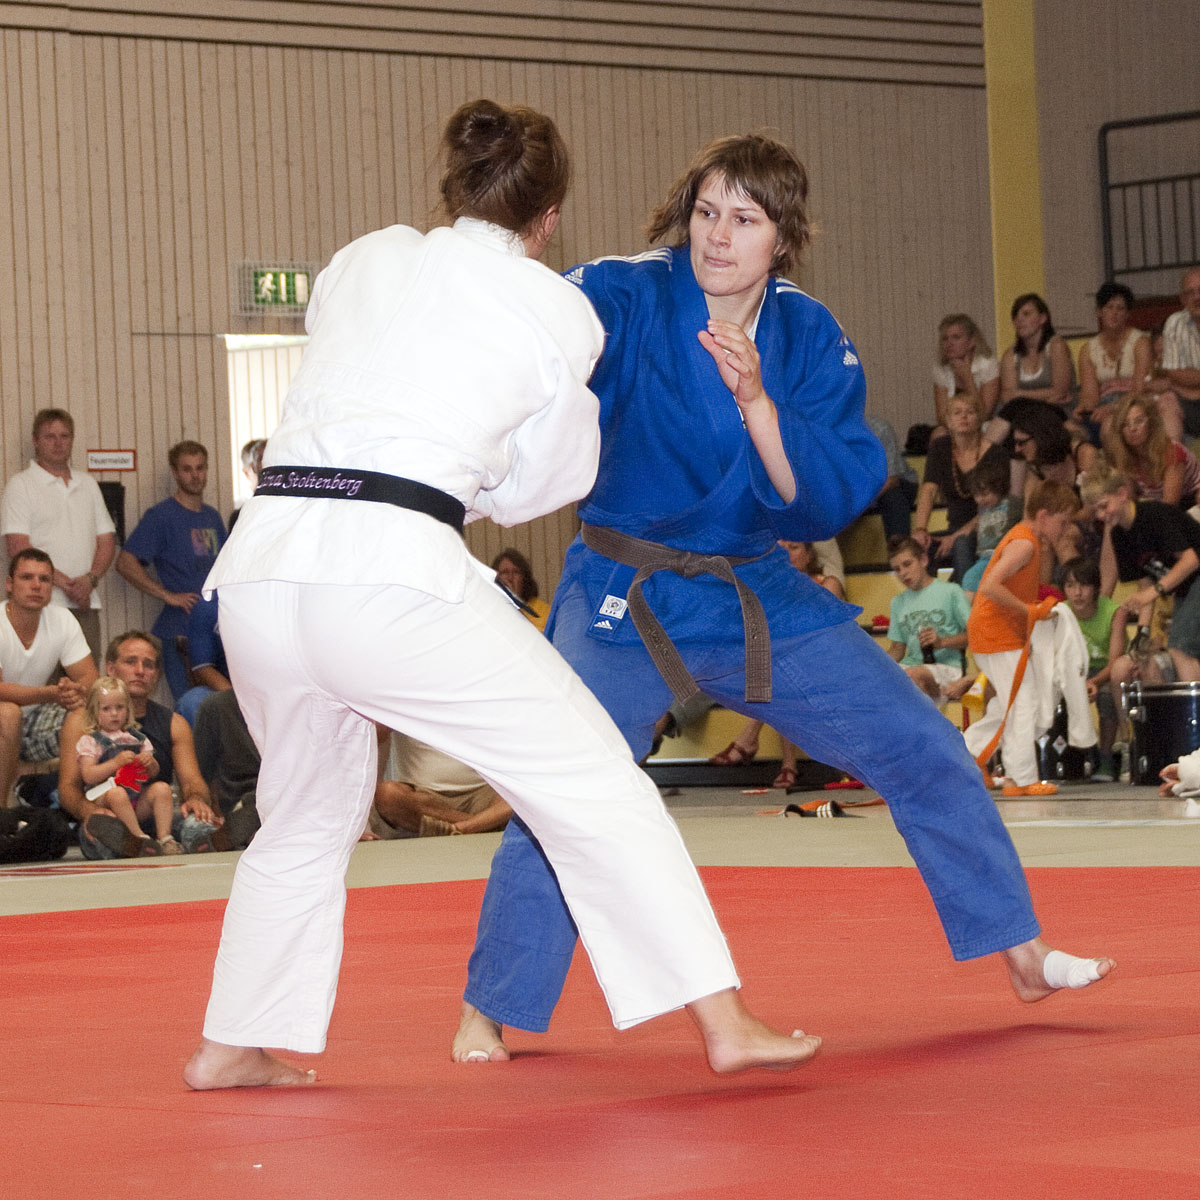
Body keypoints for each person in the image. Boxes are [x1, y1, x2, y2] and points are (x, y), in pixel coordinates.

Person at [183, 99, 820, 1093]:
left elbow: (358, 377)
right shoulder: (554, 308)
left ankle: (235, 1038)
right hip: (392, 570)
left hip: (264, 564)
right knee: (593, 779)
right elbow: (543, 486)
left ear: (450, 184)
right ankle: (724, 1019)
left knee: (303, 816)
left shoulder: (365, 258)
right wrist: (466, 481)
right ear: (551, 214)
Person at [456, 132, 1113, 1065]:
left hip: (752, 587)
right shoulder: (624, 292)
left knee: (922, 746)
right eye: (708, 210)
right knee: (570, 789)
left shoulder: (807, 333)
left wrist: (761, 403)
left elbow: (831, 493)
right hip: (623, 584)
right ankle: (491, 1006)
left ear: (783, 237)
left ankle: (1021, 949)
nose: (718, 236)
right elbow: (521, 344)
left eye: (746, 219)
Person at [58, 630, 222, 855]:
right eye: (130, 662)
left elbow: (193, 780)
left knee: (198, 823)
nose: (140, 671)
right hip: (108, 815)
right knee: (102, 834)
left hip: (158, 815)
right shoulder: (80, 721)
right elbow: (67, 788)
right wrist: (88, 811)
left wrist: (196, 799)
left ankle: (210, 837)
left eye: (149, 664)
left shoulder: (175, 723)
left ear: (156, 674)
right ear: (111, 669)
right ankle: (128, 845)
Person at [964, 480, 1081, 796]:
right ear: (1044, 515)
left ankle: (968, 755)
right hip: (996, 633)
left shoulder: (1032, 541)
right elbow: (989, 585)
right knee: (1024, 701)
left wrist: (1032, 611)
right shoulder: (1025, 543)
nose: (1066, 528)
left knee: (1009, 703)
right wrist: (1028, 611)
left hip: (1000, 633)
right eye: (1063, 521)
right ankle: (1020, 777)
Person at [2, 408, 117, 662]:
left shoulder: (87, 484)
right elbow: (19, 547)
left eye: (64, 436)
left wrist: (90, 580)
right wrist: (68, 585)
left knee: (85, 687)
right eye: (49, 436)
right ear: (35, 440)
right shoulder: (20, 485)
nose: (58, 443)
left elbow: (107, 540)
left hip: (86, 604)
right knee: (42, 686)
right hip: (40, 604)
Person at [116, 441, 227, 700]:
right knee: (191, 706)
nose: (195, 475)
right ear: (175, 473)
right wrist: (167, 595)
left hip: (216, 627)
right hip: (181, 630)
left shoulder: (212, 516)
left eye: (200, 468)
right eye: (187, 469)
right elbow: (125, 562)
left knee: (220, 707)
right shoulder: (161, 516)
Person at [1081, 463, 1200, 681]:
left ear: (1122, 494)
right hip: (1186, 588)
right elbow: (1144, 584)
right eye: (1096, 510)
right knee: (1176, 651)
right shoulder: (1119, 535)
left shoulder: (1155, 515)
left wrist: (1153, 592)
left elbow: (1192, 560)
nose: (1101, 515)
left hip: (1195, 578)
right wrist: (1142, 633)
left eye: (1104, 506)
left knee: (1181, 648)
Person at [0, 548, 97, 803]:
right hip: (7, 716)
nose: (36, 585)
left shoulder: (62, 619)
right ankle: (4, 815)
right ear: (9, 584)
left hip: (33, 721)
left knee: (88, 711)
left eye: (44, 579)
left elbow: (89, 678)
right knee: (8, 713)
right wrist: (52, 693)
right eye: (27, 577)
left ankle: (69, 802)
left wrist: (73, 693)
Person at [74, 675, 179, 857]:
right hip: (105, 799)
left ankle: (165, 838)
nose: (114, 714)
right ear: (93, 712)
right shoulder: (91, 741)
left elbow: (153, 773)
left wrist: (150, 763)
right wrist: (115, 763)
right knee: (117, 793)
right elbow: (88, 775)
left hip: (136, 797)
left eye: (119, 707)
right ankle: (138, 838)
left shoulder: (137, 738)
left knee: (162, 789)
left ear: (128, 709)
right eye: (106, 709)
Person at [913, 393, 1009, 581]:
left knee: (962, 544)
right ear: (948, 420)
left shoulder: (995, 453)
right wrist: (920, 530)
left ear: (980, 418)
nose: (963, 417)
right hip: (953, 526)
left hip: (987, 526)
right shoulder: (940, 448)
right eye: (957, 412)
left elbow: (994, 504)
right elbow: (929, 490)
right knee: (918, 548)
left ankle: (967, 603)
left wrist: (956, 536)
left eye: (970, 412)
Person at [1076, 282, 1182, 440]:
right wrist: (1084, 407)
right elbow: (1090, 394)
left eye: (1120, 308)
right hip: (1104, 403)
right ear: (1099, 312)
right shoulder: (1087, 350)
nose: (1114, 313)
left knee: (1120, 421)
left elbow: (1140, 388)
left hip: (1135, 400)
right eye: (1109, 307)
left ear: (1127, 314)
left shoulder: (1140, 342)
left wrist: (1113, 408)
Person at [370, 730, 513, 837]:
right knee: (388, 794)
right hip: (425, 798)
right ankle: (483, 825)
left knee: (522, 791)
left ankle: (462, 829)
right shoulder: (399, 694)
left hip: (486, 792)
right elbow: (372, 736)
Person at [885, 535, 971, 703]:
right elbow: (897, 649)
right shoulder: (897, 602)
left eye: (907, 564)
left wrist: (942, 642)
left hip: (948, 667)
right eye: (897, 569)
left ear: (923, 560)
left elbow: (975, 635)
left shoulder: (951, 591)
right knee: (880, 681)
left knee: (914, 675)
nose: (903, 573)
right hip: (912, 666)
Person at [1059, 558, 1121, 781]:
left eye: (1083, 585)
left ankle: (1105, 759)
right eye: (1070, 586)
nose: (1077, 593)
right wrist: (1077, 682)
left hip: (1103, 672)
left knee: (1107, 696)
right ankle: (1067, 758)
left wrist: (1093, 682)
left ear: (1095, 587)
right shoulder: (1060, 612)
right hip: (1072, 673)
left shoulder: (1114, 611)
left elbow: (1115, 661)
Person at [1100, 393, 1200, 510]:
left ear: (1151, 424)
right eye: (1126, 424)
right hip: (1158, 505)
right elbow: (1129, 500)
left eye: (1139, 421)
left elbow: (1170, 506)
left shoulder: (1172, 452)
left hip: (1191, 499)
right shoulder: (1124, 455)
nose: (1133, 428)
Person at [960, 457, 1020, 597]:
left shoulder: (1011, 503)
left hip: (1002, 555)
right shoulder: (982, 509)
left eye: (985, 494)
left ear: (998, 487)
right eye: (976, 495)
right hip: (984, 557)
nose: (980, 499)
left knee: (971, 577)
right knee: (973, 580)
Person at [931, 313, 1000, 435]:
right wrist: (958, 426)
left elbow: (983, 414)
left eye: (956, 337)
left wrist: (967, 377)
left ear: (972, 341)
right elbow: (941, 416)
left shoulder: (988, 365)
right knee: (938, 434)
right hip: (953, 426)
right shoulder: (940, 368)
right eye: (945, 339)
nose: (949, 343)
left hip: (984, 425)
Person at [1153, 267, 1200, 435]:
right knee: (1166, 402)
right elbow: (1174, 374)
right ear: (1182, 299)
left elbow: (1182, 378)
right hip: (1184, 401)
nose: (1197, 297)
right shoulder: (1174, 324)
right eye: (1190, 293)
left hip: (1186, 392)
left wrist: (1189, 381)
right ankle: (1175, 460)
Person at [865, 414, 919, 540]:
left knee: (893, 497)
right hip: (856, 491)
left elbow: (891, 480)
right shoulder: (826, 433)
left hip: (897, 482)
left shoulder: (879, 428)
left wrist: (860, 505)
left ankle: (900, 550)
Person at [491, 548, 550, 632]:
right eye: (505, 572)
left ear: (524, 578)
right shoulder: (490, 610)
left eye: (516, 572)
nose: (510, 578)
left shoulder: (544, 611)